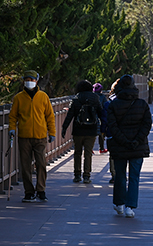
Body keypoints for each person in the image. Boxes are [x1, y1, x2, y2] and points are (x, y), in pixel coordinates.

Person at [107, 74, 152, 218]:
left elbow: (112, 126)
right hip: (137, 146)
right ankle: (130, 207)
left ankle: (119, 204)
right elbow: (147, 125)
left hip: (120, 146)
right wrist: (137, 140)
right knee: (134, 177)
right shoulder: (142, 104)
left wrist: (124, 141)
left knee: (120, 175)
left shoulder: (113, 105)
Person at [9, 70, 56, 203]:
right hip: (24, 136)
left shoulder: (43, 96)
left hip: (40, 136)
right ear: (24, 81)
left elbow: (50, 116)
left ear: (37, 81)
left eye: (32, 79)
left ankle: (41, 190)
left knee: (41, 163)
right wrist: (12, 129)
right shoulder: (19, 98)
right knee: (25, 166)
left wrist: (52, 133)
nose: (30, 82)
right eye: (27, 79)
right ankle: (29, 192)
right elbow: (13, 116)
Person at [61, 80, 102, 184]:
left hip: (78, 130)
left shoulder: (76, 99)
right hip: (91, 130)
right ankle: (87, 176)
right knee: (88, 153)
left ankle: (77, 175)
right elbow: (101, 113)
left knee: (77, 152)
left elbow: (70, 115)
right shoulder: (95, 98)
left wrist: (64, 128)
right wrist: (104, 127)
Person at [93, 83, 108, 154]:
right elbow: (105, 106)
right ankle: (101, 148)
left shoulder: (91, 96)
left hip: (91, 116)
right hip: (101, 116)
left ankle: (90, 148)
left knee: (92, 133)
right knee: (101, 133)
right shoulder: (102, 97)